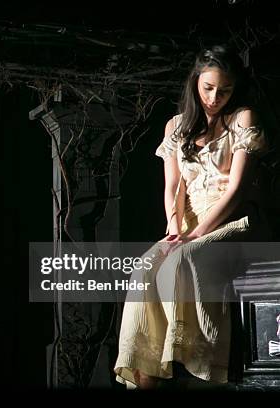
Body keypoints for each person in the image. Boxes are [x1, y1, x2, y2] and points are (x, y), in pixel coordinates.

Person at [114, 45, 269, 389]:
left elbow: (237, 190)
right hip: (185, 223)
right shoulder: (175, 125)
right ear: (195, 83)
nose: (215, 97)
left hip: (232, 221)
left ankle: (199, 360)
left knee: (181, 260)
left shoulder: (242, 118)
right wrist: (174, 228)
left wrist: (195, 234)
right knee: (144, 268)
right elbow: (173, 188)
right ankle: (145, 375)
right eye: (208, 87)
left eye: (224, 89)